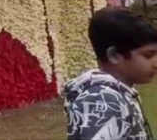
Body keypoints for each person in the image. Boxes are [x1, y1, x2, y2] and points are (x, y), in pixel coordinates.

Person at [64, 7, 157, 139]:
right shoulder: (102, 100)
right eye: (148, 55)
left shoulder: (118, 93)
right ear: (114, 55)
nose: (155, 63)